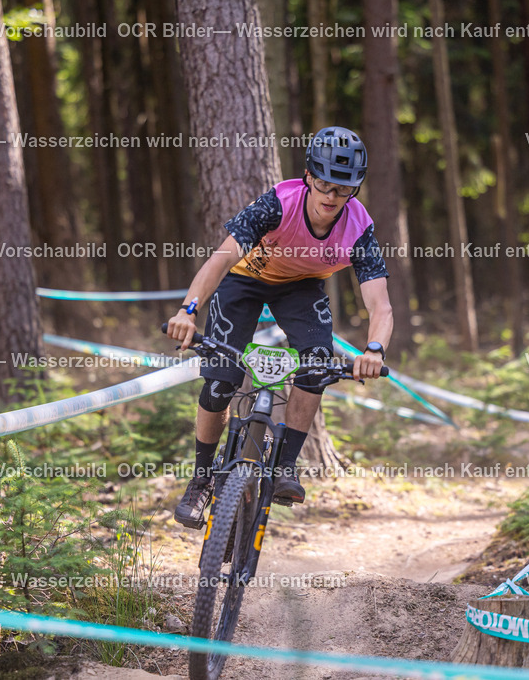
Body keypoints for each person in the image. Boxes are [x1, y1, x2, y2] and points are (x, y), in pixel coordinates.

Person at [165, 126, 393, 529]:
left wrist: (373, 350)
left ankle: (285, 466)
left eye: (343, 189)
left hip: (301, 288)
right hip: (244, 281)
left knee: (316, 366)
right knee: (221, 380)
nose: (331, 196)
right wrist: (188, 309)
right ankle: (200, 481)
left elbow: (380, 304)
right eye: (323, 183)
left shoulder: (359, 227)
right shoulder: (278, 204)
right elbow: (219, 260)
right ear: (308, 176)